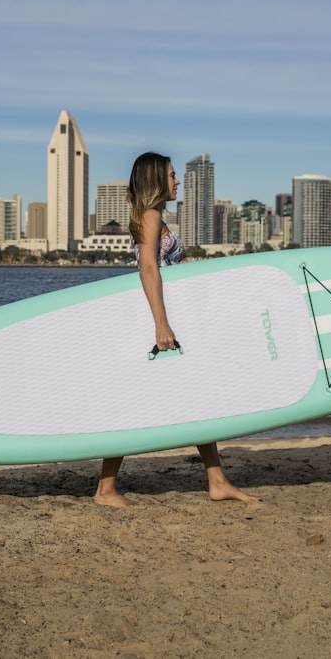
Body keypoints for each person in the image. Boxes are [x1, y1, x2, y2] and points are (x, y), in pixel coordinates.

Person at [93, 152, 261, 507]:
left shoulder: (149, 216)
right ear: (156, 180)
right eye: (171, 175)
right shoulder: (151, 216)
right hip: (156, 321)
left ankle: (216, 481)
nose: (177, 181)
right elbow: (148, 269)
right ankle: (105, 490)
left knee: (196, 396)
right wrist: (161, 324)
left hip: (163, 318)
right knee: (137, 401)